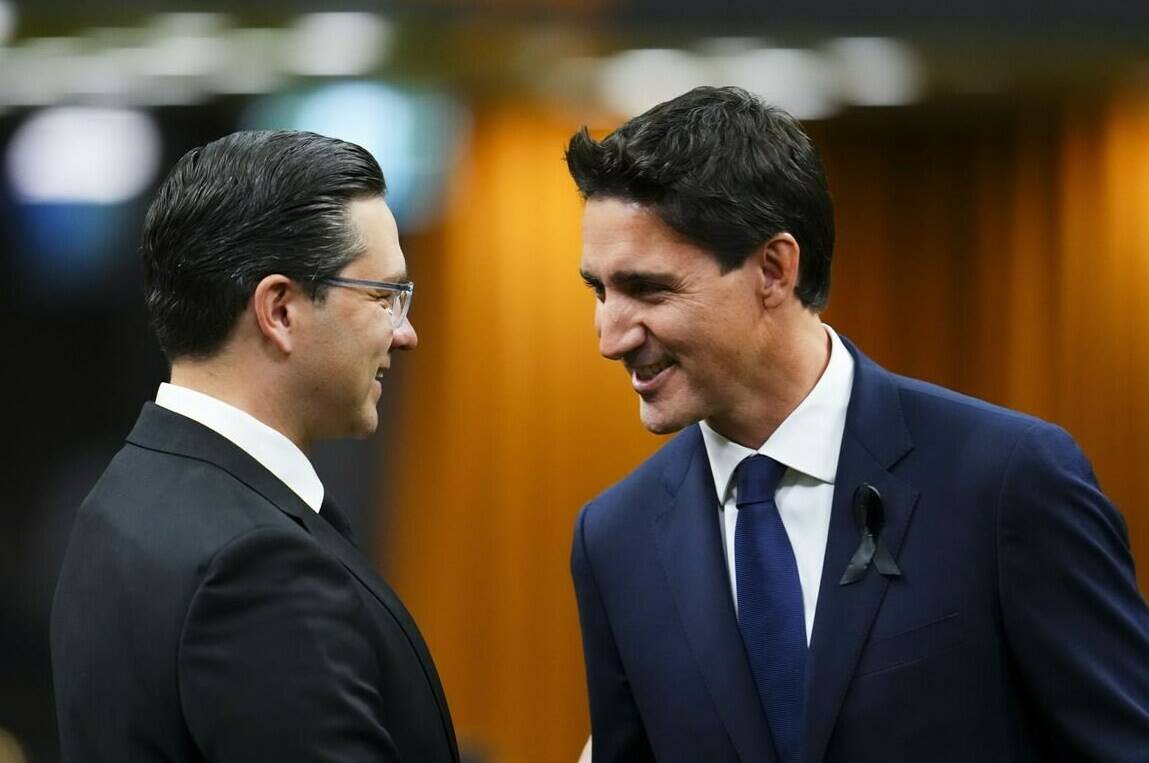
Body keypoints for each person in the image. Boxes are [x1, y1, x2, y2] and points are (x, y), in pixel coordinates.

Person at [565, 86, 1149, 762]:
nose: (609, 335)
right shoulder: (615, 538)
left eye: (648, 289)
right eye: (598, 290)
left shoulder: (1006, 481)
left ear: (774, 269)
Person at [51, 130, 458, 762]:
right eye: (385, 295)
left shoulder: (120, 496)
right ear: (281, 310)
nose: (406, 334)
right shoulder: (257, 564)